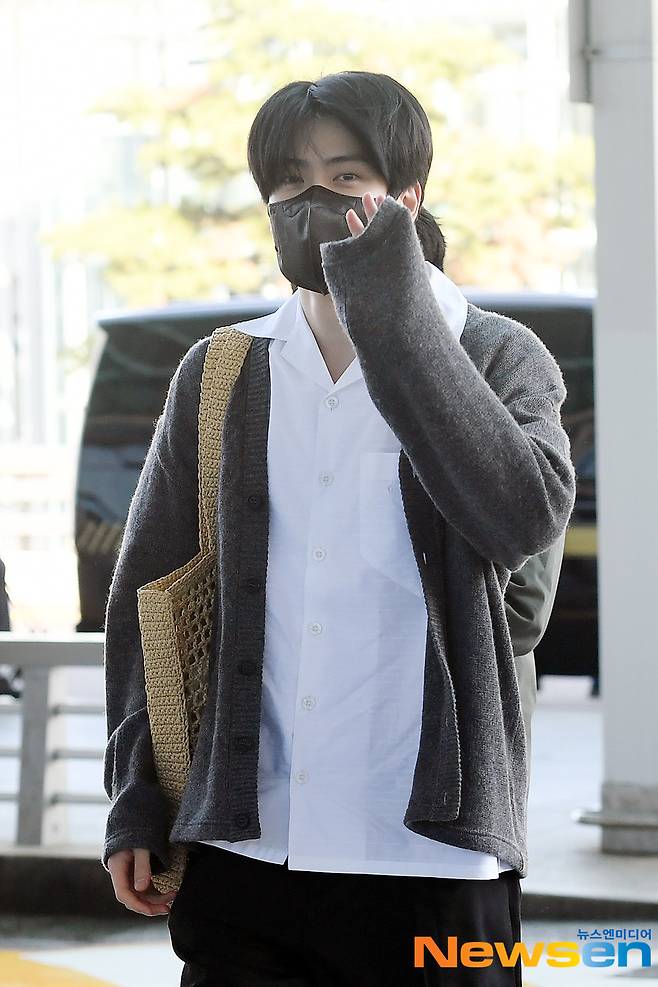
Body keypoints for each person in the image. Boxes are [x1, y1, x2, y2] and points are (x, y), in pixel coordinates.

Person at [102, 71, 575, 985]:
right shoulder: (222, 372)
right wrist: (136, 801)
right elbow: (144, 602)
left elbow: (520, 519)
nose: (312, 201)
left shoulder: (498, 355)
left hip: (432, 861)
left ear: (407, 199)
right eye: (290, 181)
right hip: (246, 854)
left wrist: (391, 316)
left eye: (345, 177)